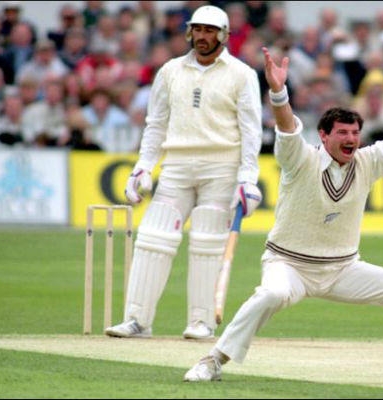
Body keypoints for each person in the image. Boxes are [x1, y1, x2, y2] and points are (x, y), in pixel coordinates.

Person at [183, 47, 383, 384]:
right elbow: (287, 126)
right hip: (289, 264)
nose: (351, 139)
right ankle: (213, 360)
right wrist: (278, 92)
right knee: (271, 294)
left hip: (342, 268)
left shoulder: (368, 161)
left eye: (355, 133)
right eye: (342, 133)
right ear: (323, 136)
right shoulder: (300, 159)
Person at [104, 5, 263, 340]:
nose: (203, 37)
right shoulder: (170, 71)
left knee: (207, 243)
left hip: (221, 167)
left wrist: (248, 178)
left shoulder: (242, 74)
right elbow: (156, 123)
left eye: (210, 31)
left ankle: (201, 322)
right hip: (176, 165)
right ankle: (137, 320)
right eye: (198, 30)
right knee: (153, 238)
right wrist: (144, 166)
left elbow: (251, 130)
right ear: (190, 32)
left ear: (223, 35)